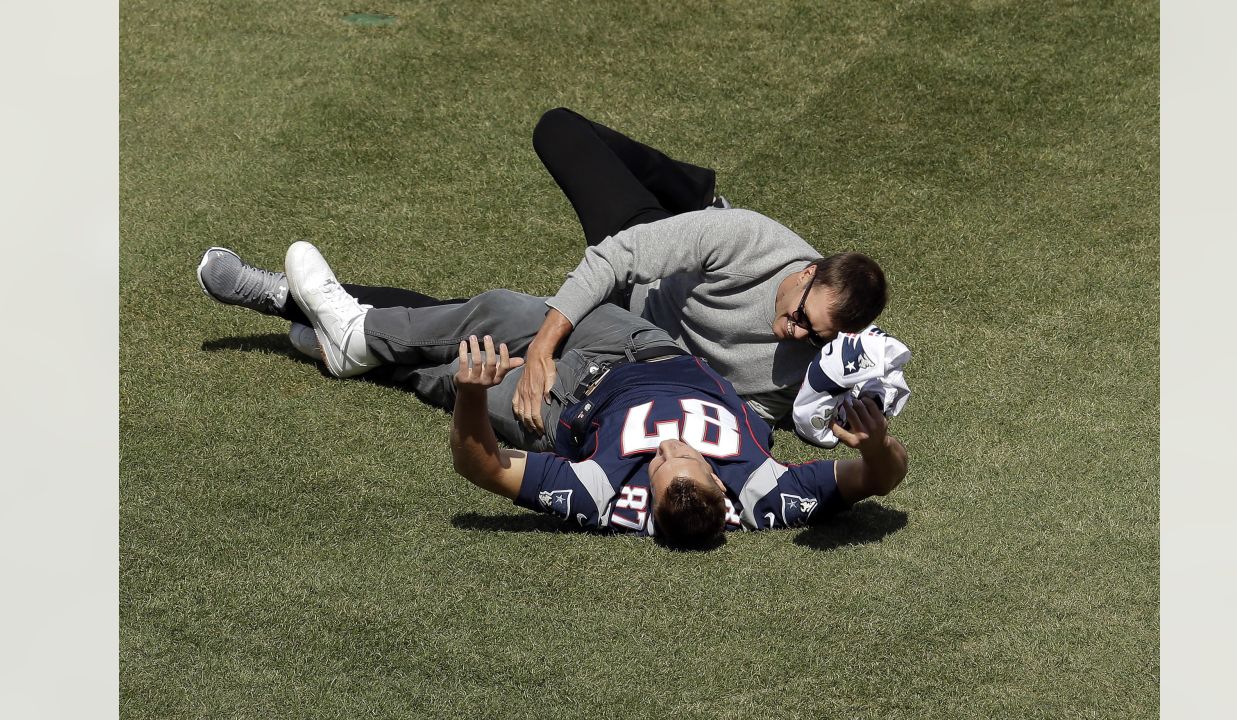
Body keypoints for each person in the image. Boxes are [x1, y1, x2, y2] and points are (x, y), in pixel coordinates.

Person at [201, 241, 909, 548]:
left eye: (662, 463)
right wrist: (875, 445)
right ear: (720, 495)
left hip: (563, 408)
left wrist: (477, 400)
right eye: (687, 456)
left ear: (651, 494)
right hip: (639, 346)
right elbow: (879, 480)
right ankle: (349, 334)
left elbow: (482, 466)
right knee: (499, 306)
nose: (670, 447)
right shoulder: (759, 491)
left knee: (450, 371)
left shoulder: (606, 497)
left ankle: (300, 314)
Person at [513, 108, 891, 432]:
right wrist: (540, 350)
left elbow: (754, 417)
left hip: (645, 337)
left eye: (814, 336)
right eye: (801, 317)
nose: (795, 332)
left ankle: (694, 209)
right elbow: (614, 257)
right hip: (646, 284)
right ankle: (695, 196)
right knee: (558, 129)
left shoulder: (815, 360)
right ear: (808, 272)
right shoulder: (747, 239)